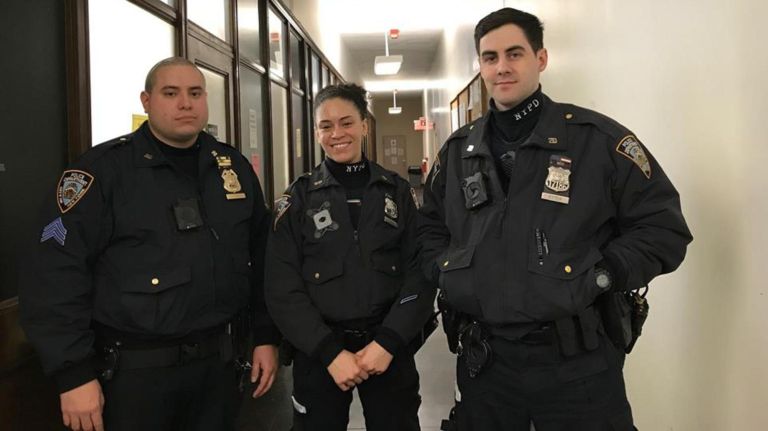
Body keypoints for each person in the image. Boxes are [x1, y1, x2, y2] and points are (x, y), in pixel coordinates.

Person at [419, 8, 693, 431]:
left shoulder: (597, 141)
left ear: (541, 59)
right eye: (490, 57)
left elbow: (662, 227)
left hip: (576, 363)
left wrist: (603, 274)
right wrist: (447, 273)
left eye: (515, 54)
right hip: (485, 363)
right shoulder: (457, 152)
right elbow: (430, 228)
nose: (502, 67)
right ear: (480, 65)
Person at [20, 57, 280, 431]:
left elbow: (262, 257)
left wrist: (265, 337)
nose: (185, 103)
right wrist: (73, 373)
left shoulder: (231, 167)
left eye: (194, 93)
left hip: (218, 368)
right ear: (146, 101)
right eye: (170, 93)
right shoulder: (103, 171)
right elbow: (53, 273)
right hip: (135, 375)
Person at [265, 83, 434, 431]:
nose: (336, 134)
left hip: (388, 349)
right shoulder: (297, 198)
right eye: (326, 126)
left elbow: (420, 273)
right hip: (320, 355)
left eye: (346, 122)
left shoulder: (398, 192)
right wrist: (328, 352)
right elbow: (282, 286)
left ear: (364, 125)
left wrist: (387, 343)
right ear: (315, 132)